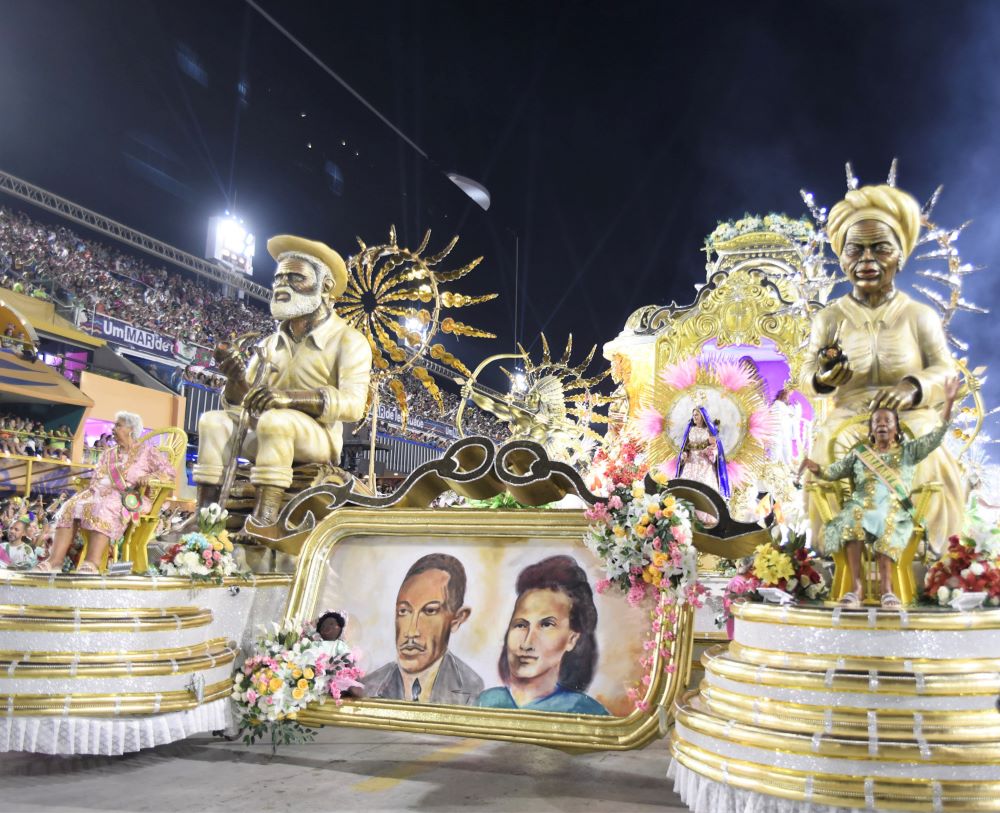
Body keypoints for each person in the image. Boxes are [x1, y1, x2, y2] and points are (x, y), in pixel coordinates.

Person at [802, 184, 964, 553]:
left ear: (900, 256)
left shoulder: (919, 315)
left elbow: (945, 370)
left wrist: (912, 387)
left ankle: (929, 557)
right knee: (826, 447)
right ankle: (834, 558)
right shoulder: (829, 317)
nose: (867, 259)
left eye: (880, 247)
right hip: (848, 416)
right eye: (855, 249)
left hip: (910, 415)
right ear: (842, 258)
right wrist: (823, 379)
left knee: (931, 454)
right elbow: (807, 373)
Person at [191, 235, 372, 527]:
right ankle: (205, 517)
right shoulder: (269, 344)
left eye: (295, 277)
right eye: (279, 278)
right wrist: (235, 379)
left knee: (277, 421)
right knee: (214, 421)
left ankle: (265, 518)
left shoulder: (349, 340)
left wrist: (289, 399)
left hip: (317, 436)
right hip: (262, 430)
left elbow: (353, 406)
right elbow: (244, 402)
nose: (282, 285)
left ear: (325, 286)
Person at [800, 376, 961, 609]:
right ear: (872, 430)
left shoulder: (909, 451)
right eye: (877, 422)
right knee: (852, 517)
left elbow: (935, 437)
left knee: (886, 519)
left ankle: (887, 590)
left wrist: (948, 403)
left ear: (896, 428)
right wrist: (815, 467)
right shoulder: (859, 454)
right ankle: (856, 588)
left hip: (896, 509)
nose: (882, 424)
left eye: (887, 421)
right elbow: (832, 471)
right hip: (862, 507)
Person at [34, 411, 172, 574]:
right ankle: (55, 561)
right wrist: (96, 489)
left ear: (131, 429)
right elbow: (97, 476)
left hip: (131, 497)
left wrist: (150, 477)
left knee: (104, 506)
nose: (113, 429)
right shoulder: (108, 453)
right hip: (99, 492)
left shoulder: (147, 452)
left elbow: (168, 471)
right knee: (69, 506)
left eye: (118, 425)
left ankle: (92, 562)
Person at [477, 555, 609, 715]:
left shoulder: (586, 712)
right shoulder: (484, 702)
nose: (526, 643)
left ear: (572, 639)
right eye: (520, 625)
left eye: (546, 625)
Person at [365, 553, 484, 704]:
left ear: (457, 619)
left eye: (429, 611)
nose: (410, 632)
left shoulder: (473, 689)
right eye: (403, 611)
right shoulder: (368, 686)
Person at [676, 406, 730, 498]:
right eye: (693, 415)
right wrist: (684, 454)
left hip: (705, 464)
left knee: (705, 489)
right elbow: (685, 447)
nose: (694, 417)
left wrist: (709, 451)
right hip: (690, 464)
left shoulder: (709, 431)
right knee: (686, 489)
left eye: (696, 415)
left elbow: (716, 448)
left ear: (703, 416)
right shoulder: (690, 430)